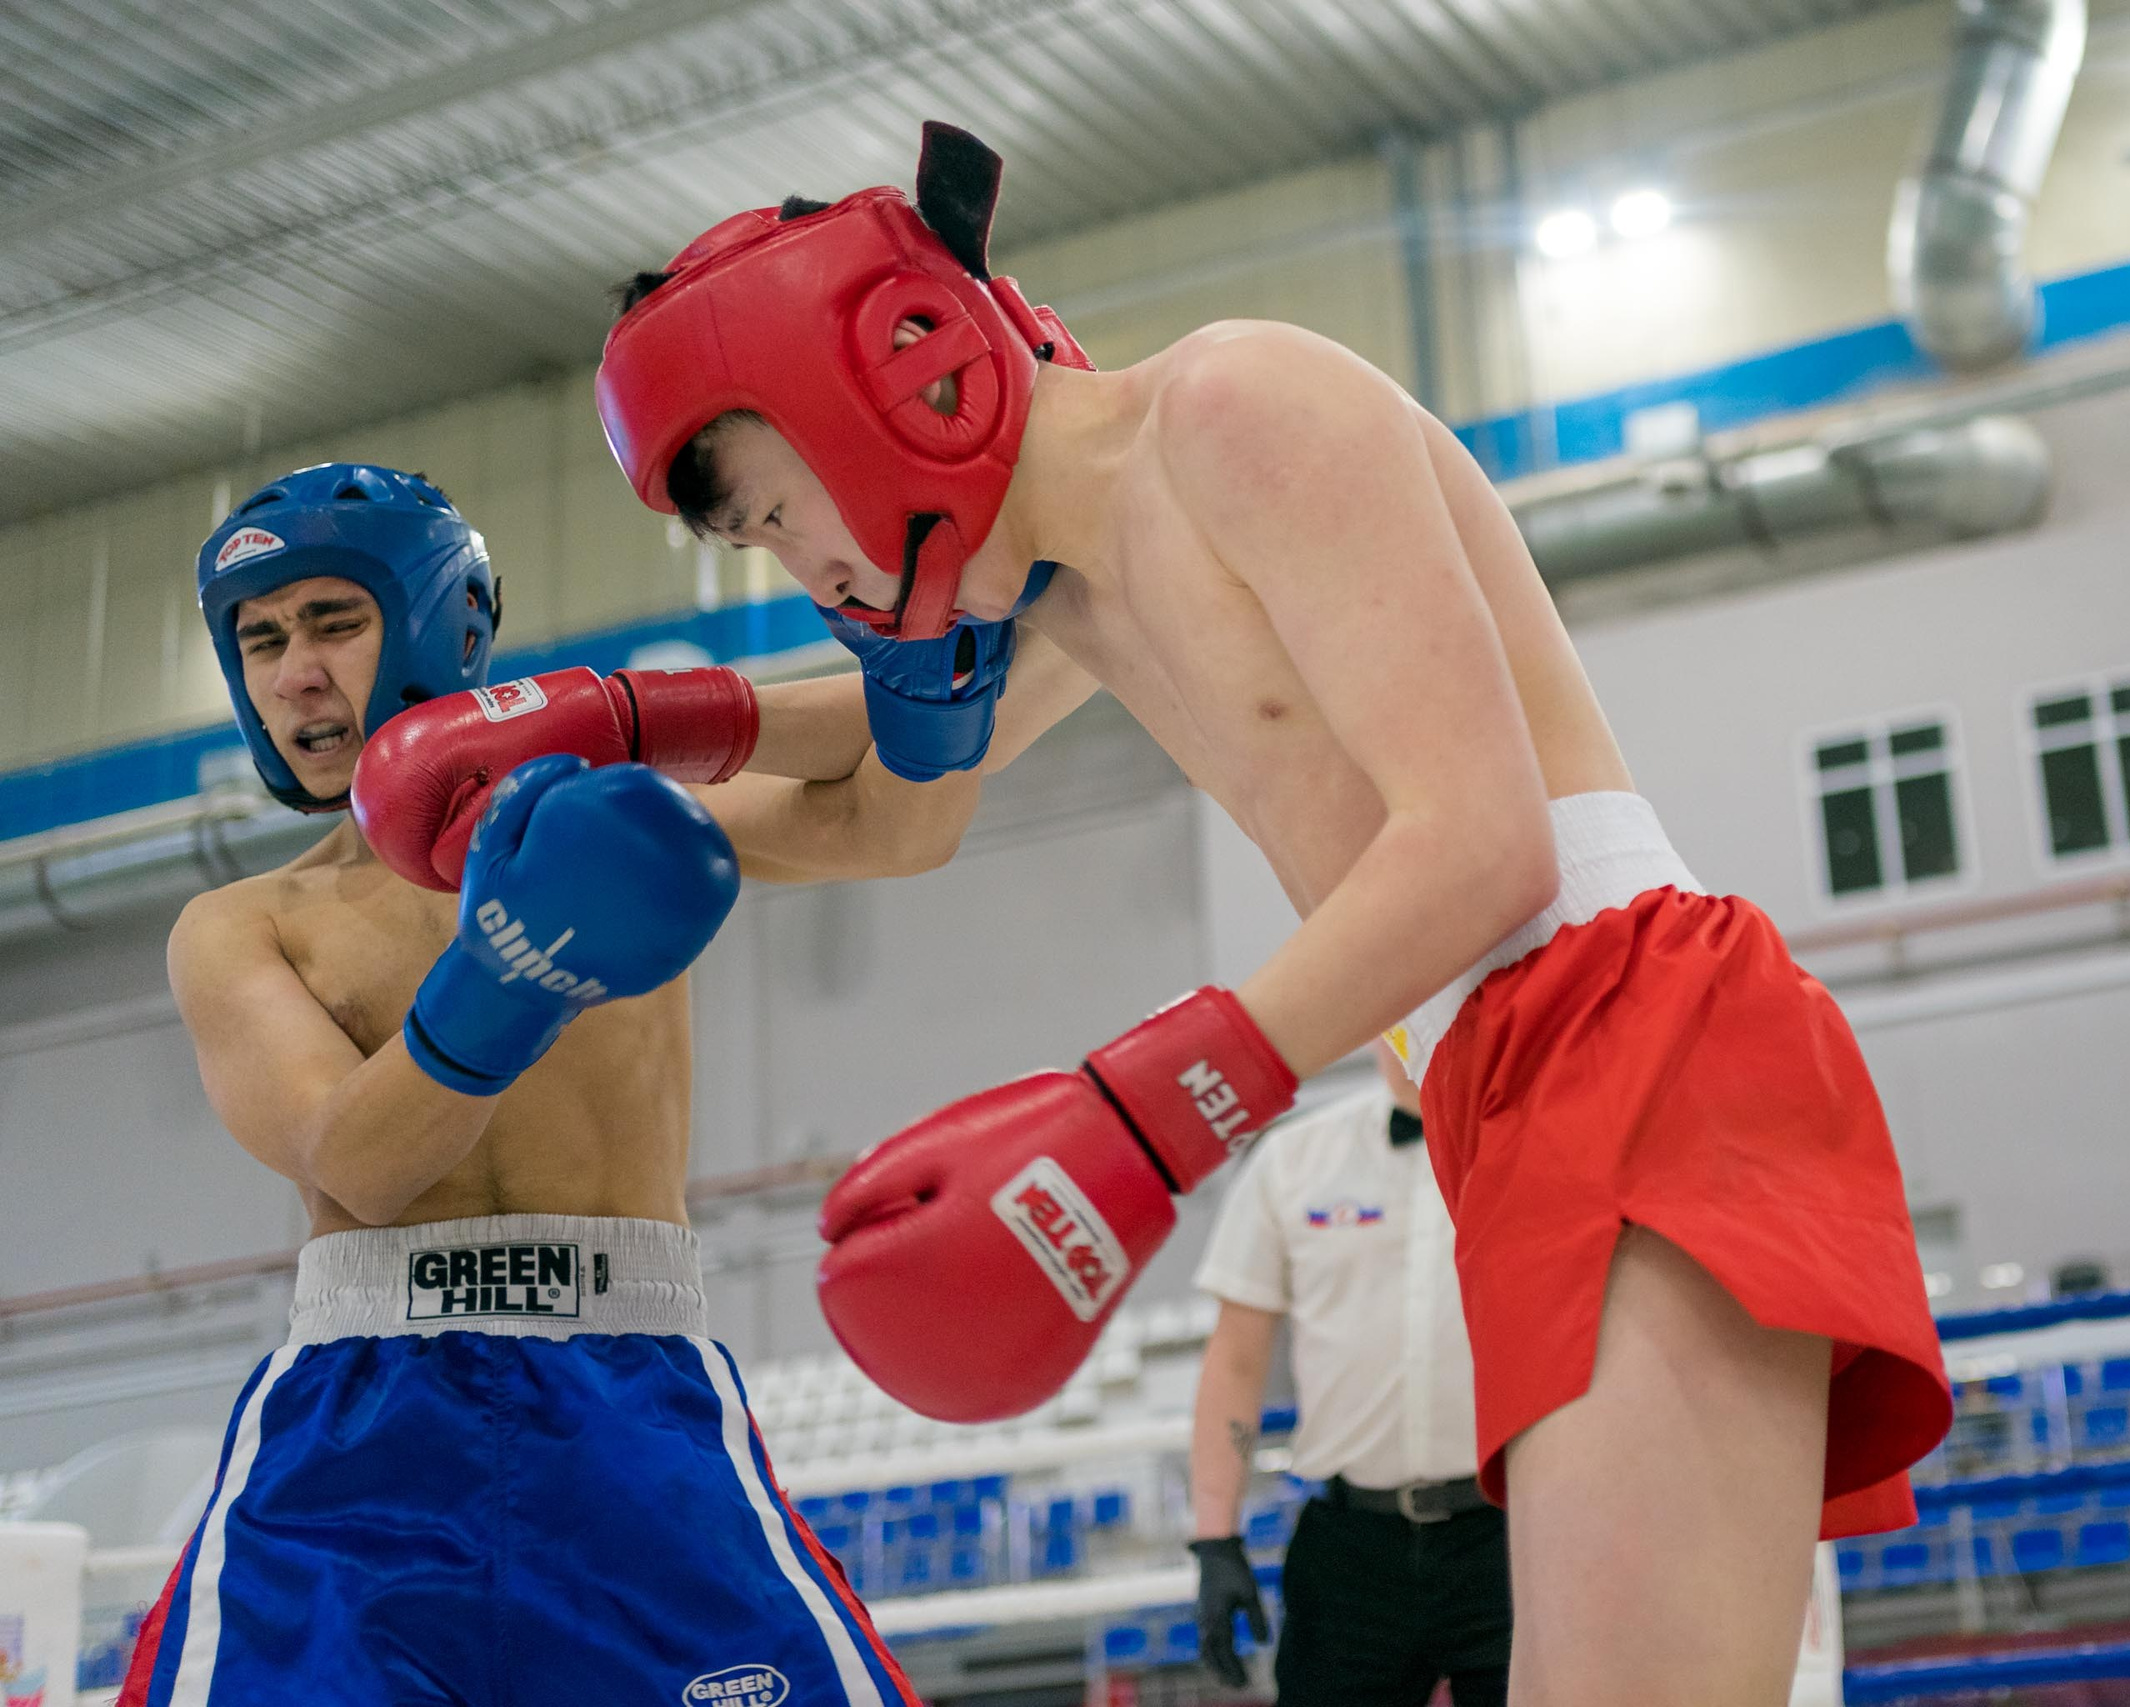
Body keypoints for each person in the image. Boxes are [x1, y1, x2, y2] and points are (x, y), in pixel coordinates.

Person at [568, 119, 1954, 1705]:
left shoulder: (1238, 405)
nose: (801, 565)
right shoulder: (1069, 582)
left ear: (873, 382)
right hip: (1501, 1079)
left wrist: (1151, 1108)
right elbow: (887, 800)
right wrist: (584, 758)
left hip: (1626, 1016)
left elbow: (1483, 842)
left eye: (769, 514)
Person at [122, 462, 1023, 1705]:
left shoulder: (628, 808)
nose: (295, 675)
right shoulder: (243, 925)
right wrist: (518, 965)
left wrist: (634, 718)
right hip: (364, 1429)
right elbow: (363, 1164)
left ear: (449, 623)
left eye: (334, 620)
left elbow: (902, 817)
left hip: (630, 1394)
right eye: (262, 640)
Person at [1188, 1043, 1508, 1705]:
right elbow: (1236, 1359)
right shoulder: (1292, 1160)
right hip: (1352, 1548)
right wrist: (1215, 1537)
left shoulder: (1530, 1145)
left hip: (1510, 1530)